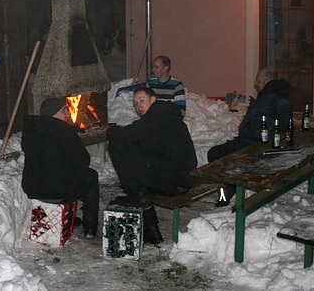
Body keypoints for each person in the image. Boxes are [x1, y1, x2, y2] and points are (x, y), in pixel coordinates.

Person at [107, 87, 197, 244]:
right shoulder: (166, 115)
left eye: (142, 100)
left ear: (153, 100)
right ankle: (141, 201)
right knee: (133, 147)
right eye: (135, 103)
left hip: (174, 183)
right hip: (182, 178)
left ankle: (135, 195)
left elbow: (125, 135)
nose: (138, 106)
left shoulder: (155, 119)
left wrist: (111, 130)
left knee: (116, 145)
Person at [206, 68, 292, 206]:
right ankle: (230, 186)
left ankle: (226, 192)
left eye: (258, 81)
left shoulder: (267, 99)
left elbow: (259, 131)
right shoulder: (282, 97)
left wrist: (244, 129)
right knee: (228, 156)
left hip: (257, 147)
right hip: (273, 145)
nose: (255, 84)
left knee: (215, 154)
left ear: (265, 82)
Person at [21, 97, 100, 239]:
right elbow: (84, 161)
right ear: (54, 113)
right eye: (64, 110)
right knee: (90, 176)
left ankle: (68, 217)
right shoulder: (65, 131)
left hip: (33, 188)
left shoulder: (30, 131)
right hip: (58, 191)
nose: (68, 114)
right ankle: (90, 227)